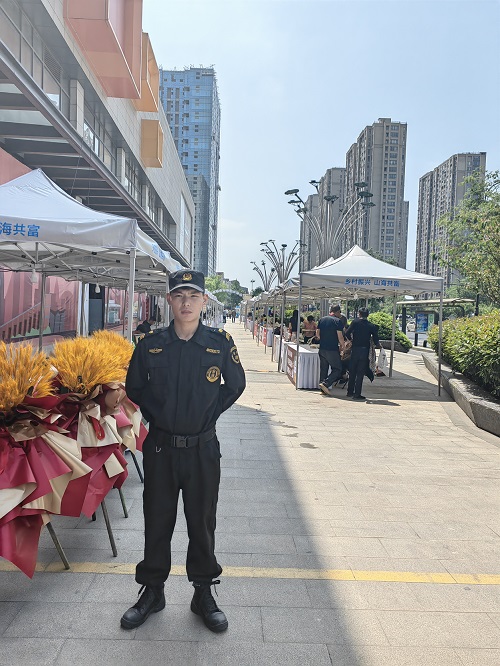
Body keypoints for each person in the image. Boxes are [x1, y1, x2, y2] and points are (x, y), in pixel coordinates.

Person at [122, 270, 246, 633]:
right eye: (179, 296)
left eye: (193, 296)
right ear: (169, 300)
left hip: (202, 449)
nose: (186, 303)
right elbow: (134, 387)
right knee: (157, 520)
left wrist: (207, 414)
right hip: (161, 448)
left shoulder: (219, 343)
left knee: (202, 522)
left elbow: (235, 385)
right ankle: (153, 591)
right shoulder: (150, 344)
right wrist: (157, 416)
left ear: (204, 301)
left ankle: (203, 592)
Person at [345, 307, 380, 400]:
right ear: (368, 315)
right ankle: (357, 394)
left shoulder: (355, 322)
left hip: (355, 349)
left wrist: (352, 340)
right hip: (364, 351)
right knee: (360, 373)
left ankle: (349, 392)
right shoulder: (371, 325)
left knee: (352, 371)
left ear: (359, 314)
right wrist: (378, 345)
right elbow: (376, 339)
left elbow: (347, 333)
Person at [316, 307, 345, 395]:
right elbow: (340, 336)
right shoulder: (337, 321)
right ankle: (326, 383)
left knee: (324, 369)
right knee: (338, 369)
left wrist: (323, 339)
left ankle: (322, 389)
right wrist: (343, 346)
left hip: (322, 348)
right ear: (337, 312)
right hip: (332, 349)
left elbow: (317, 333)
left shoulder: (322, 319)